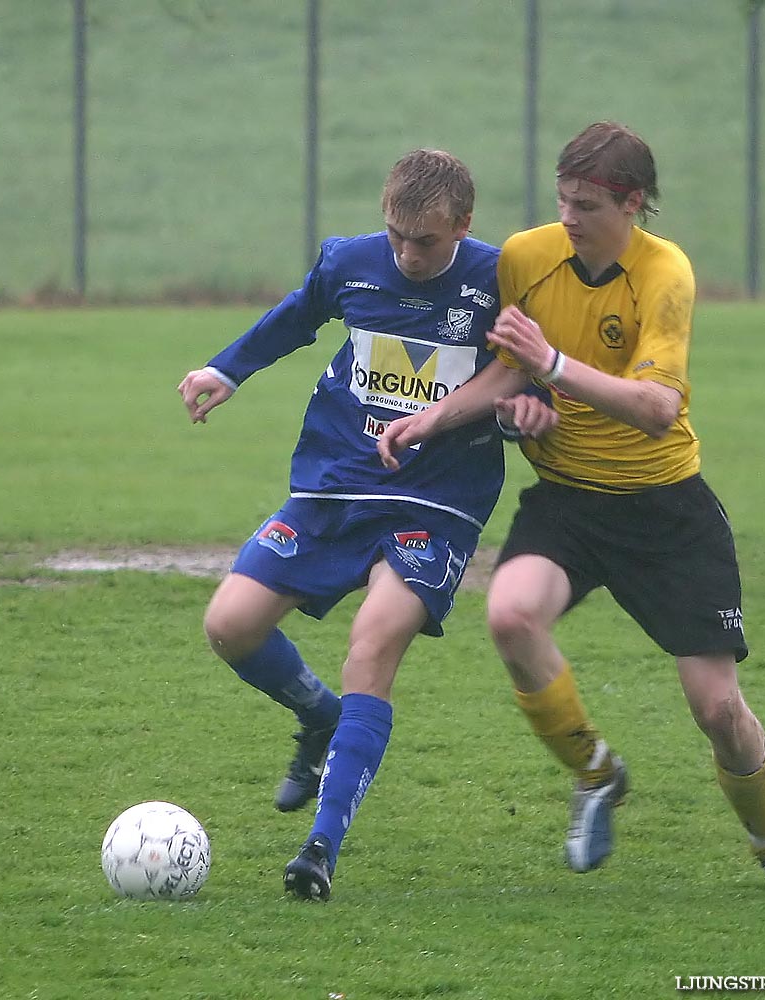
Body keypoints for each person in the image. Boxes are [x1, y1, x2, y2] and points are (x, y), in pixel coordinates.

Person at [379, 122, 765, 896]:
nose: (569, 217)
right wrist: (446, 414)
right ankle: (595, 773)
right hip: (568, 504)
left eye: (586, 204)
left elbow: (655, 408)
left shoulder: (665, 275)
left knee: (717, 709)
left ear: (632, 205)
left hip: (665, 511)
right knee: (510, 615)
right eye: (562, 199)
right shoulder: (527, 256)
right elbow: (507, 373)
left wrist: (550, 367)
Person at [177, 149, 554, 902]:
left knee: (372, 642)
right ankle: (317, 719)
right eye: (396, 236)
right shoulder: (350, 262)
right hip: (333, 487)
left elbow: (522, 373)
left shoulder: (498, 279)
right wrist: (227, 369)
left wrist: (497, 416)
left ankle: (321, 846)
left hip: (435, 504)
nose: (408, 254)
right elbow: (298, 315)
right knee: (230, 625)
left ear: (463, 227)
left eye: (427, 241)